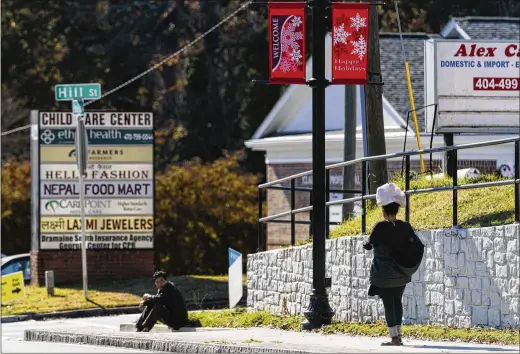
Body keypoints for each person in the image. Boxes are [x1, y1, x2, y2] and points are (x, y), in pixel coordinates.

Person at [363, 183, 424, 346]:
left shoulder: (379, 227)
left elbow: (369, 244)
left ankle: (394, 337)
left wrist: (367, 243)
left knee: (388, 304)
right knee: (397, 302)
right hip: (402, 273)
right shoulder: (405, 227)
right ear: (397, 210)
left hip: (384, 274)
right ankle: (399, 335)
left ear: (383, 210)